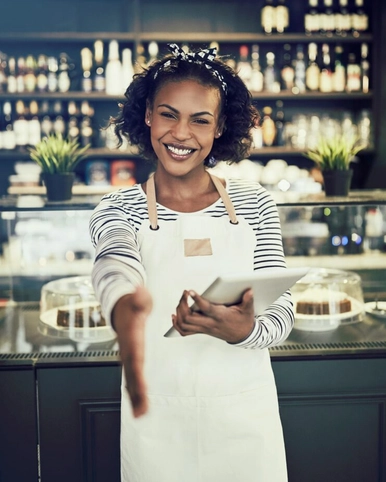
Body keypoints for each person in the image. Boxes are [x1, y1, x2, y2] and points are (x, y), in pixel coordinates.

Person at [89, 43, 294, 482]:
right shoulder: (118, 208)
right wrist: (122, 302)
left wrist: (245, 331)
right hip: (158, 421)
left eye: (200, 120)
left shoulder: (255, 204)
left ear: (219, 128)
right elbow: (115, 260)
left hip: (243, 416)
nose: (181, 134)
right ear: (147, 116)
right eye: (169, 114)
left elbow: (282, 309)